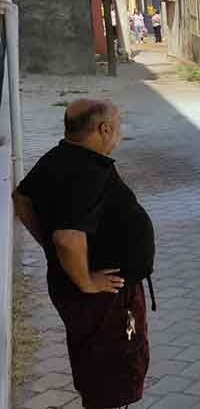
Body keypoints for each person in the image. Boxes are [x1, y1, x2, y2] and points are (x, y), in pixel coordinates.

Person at [13, 99, 156, 409]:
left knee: (95, 365)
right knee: (112, 373)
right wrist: (87, 280)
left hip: (86, 290)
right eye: (117, 127)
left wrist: (49, 249)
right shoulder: (88, 173)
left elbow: (21, 198)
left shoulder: (59, 156)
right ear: (104, 129)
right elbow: (67, 238)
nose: (119, 134)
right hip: (103, 297)